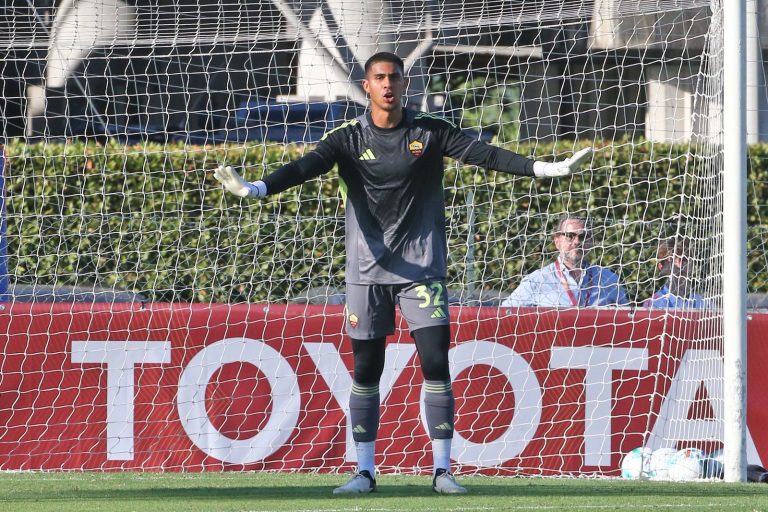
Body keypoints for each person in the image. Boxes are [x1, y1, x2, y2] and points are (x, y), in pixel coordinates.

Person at [214, 51, 593, 494]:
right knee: (366, 370)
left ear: (404, 84)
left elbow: (484, 153)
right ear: (367, 84)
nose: (388, 84)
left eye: (394, 77)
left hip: (422, 270)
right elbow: (304, 167)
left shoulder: (429, 131)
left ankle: (442, 471)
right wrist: (255, 188)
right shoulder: (347, 138)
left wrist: (546, 167)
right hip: (366, 272)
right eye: (379, 78)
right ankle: (364, 472)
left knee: (436, 362)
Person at [501, 215, 629, 307]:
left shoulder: (609, 280)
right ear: (557, 241)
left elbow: (626, 319)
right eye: (570, 236)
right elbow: (505, 315)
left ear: (591, 242)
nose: (577, 242)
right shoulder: (536, 281)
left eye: (583, 237)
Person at [643, 236, 705, 309]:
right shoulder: (654, 304)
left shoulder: (704, 303)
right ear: (661, 266)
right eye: (673, 260)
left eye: (685, 259)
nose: (680, 265)